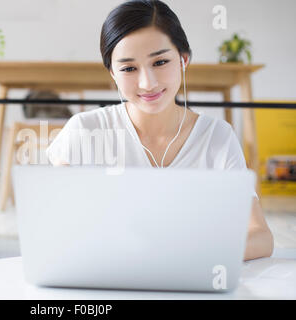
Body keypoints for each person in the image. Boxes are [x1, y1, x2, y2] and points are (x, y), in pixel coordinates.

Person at [45, 0, 273, 261]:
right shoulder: (85, 131)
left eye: (160, 62)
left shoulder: (217, 137)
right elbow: (55, 230)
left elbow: (261, 236)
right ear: (112, 73)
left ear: (183, 60)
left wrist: (190, 254)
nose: (147, 83)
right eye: (129, 68)